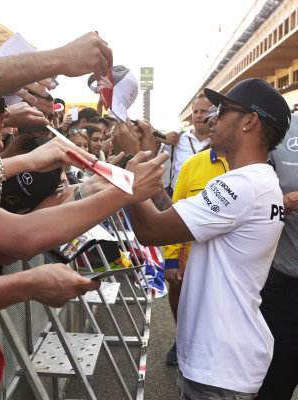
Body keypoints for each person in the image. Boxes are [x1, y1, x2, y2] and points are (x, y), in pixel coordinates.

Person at [126, 78, 289, 398]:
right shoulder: (257, 181)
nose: (211, 119)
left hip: (219, 366)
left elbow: (151, 231)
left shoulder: (243, 185)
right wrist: (146, 157)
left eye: (223, 111)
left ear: (250, 121)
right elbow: (175, 216)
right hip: (225, 360)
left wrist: (131, 166)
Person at [161, 106, 229, 366]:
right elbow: (175, 213)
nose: (211, 123)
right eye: (209, 118)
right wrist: (170, 259)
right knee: (182, 300)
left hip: (229, 264)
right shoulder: (192, 165)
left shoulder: (254, 166)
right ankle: (183, 338)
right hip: (190, 257)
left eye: (216, 118)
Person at [256, 113, 298, 400]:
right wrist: (285, 203)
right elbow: (251, 196)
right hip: (283, 283)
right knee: (274, 384)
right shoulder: (283, 127)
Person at [164, 93, 213, 189]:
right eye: (195, 112)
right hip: (178, 201)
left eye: (203, 111)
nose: (198, 116)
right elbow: (148, 151)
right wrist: (159, 138)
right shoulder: (178, 140)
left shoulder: (222, 142)